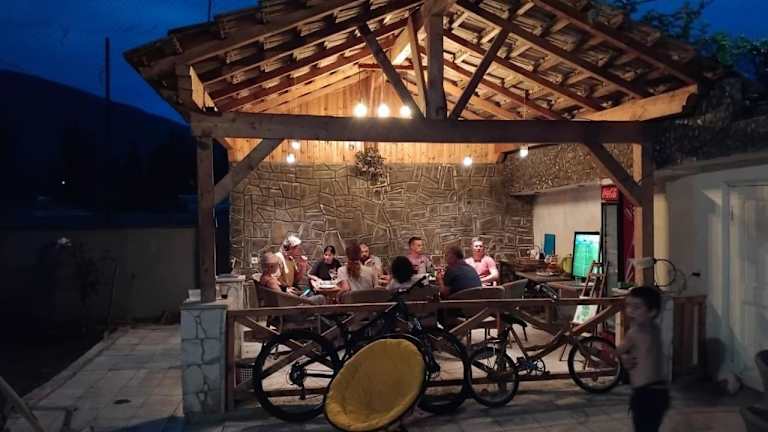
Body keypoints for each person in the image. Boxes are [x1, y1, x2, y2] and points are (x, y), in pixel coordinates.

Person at [617, 286, 669, 432]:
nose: (630, 311)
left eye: (637, 307)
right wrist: (625, 356)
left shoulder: (636, 332)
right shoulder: (653, 328)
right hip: (655, 392)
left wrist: (623, 355)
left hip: (648, 394)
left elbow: (619, 350)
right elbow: (623, 351)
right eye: (628, 306)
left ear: (652, 312)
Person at [259, 252, 325, 305]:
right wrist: (298, 298)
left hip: (289, 303)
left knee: (309, 293)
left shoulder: (265, 277)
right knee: (320, 297)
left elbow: (281, 293)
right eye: (277, 265)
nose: (278, 267)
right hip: (291, 308)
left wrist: (287, 289)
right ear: (271, 267)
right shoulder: (271, 282)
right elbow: (282, 298)